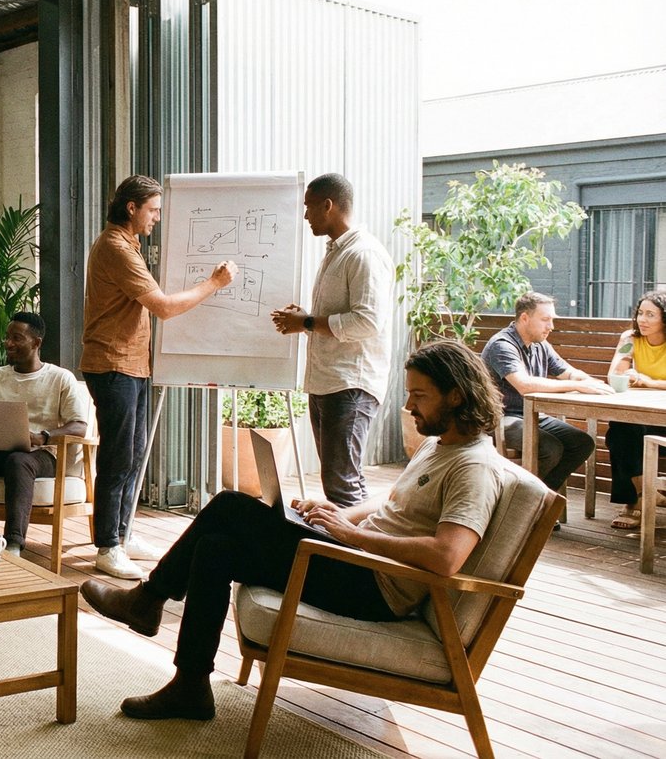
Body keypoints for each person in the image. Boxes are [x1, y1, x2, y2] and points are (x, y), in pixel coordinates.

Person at [81, 340, 509, 721]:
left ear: (456, 396)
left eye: (420, 396)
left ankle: (147, 600)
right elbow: (393, 502)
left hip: (374, 586)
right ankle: (190, 686)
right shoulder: (440, 445)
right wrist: (338, 513)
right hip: (354, 559)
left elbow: (446, 556)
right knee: (215, 548)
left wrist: (351, 536)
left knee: (230, 506)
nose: (409, 406)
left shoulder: (473, 467)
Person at [81, 174, 238, 580]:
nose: (157, 219)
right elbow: (164, 307)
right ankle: (107, 546)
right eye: (153, 210)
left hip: (131, 364)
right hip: (113, 364)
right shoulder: (116, 248)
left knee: (133, 453)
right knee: (118, 458)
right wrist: (214, 283)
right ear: (131, 208)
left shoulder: (128, 244)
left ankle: (123, 531)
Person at [271, 172, 393, 510]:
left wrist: (307, 322)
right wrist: (307, 318)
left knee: (343, 483)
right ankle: (349, 556)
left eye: (310, 207)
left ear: (329, 205)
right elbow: (343, 316)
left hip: (350, 383)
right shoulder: (337, 252)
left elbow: (367, 321)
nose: (306, 215)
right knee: (336, 480)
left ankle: (362, 560)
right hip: (329, 381)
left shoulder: (364, 254)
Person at [0, 312, 87, 555]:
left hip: (39, 455)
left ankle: (13, 543)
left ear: (36, 343)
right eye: (7, 337)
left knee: (18, 461)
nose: (8, 343)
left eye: (17, 338)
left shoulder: (60, 378)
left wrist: (43, 436)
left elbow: (80, 426)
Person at [480, 292, 608, 494]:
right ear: (524, 318)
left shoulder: (541, 345)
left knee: (582, 443)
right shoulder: (502, 345)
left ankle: (541, 500)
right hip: (501, 418)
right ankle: (523, 502)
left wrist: (591, 382)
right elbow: (524, 384)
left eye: (552, 320)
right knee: (550, 448)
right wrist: (577, 387)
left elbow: (568, 372)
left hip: (531, 415)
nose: (551, 326)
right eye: (545, 320)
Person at [604, 290, 666, 529]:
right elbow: (614, 375)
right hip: (642, 416)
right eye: (640, 313)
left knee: (621, 434)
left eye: (651, 314)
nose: (643, 319)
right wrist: (626, 372)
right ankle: (640, 498)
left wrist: (649, 382)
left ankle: (637, 501)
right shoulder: (631, 338)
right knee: (620, 428)